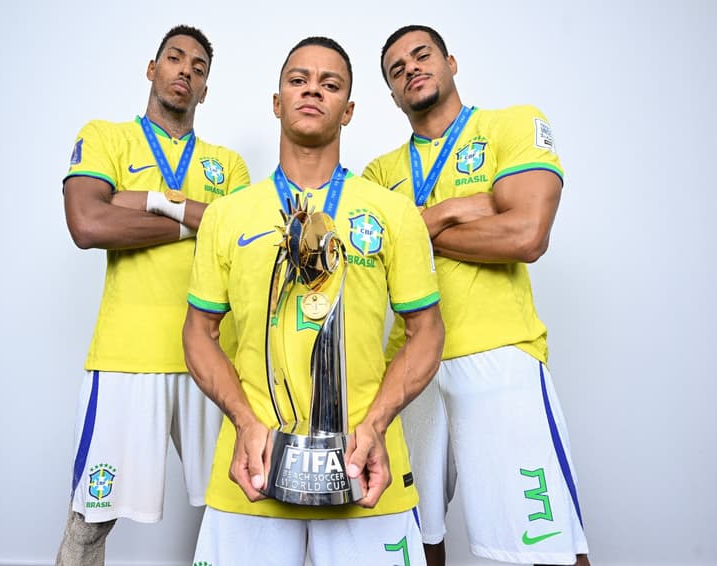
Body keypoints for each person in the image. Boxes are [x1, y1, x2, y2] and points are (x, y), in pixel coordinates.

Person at [182, 36, 446, 566]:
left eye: (330, 85)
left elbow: (428, 331)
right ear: (276, 102)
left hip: (364, 464)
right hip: (251, 468)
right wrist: (243, 420)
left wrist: (375, 425)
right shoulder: (226, 216)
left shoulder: (393, 213)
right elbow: (197, 333)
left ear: (348, 111)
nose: (312, 91)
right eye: (298, 80)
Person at [362, 25, 590, 566]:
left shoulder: (512, 124)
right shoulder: (377, 175)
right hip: (410, 364)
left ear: (451, 62)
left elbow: (526, 235)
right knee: (411, 544)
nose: (411, 68)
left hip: (498, 356)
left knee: (543, 545)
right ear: (391, 93)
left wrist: (420, 226)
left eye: (422, 55)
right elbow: (376, 264)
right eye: (396, 69)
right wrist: (469, 205)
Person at [56, 25, 250, 566]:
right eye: (175, 58)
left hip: (212, 356)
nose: (185, 70)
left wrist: (147, 202)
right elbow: (89, 224)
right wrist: (193, 218)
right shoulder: (105, 137)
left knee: (239, 510)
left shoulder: (228, 164)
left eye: (199, 67)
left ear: (206, 89)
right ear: (152, 68)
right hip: (126, 358)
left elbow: (236, 237)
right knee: (90, 521)